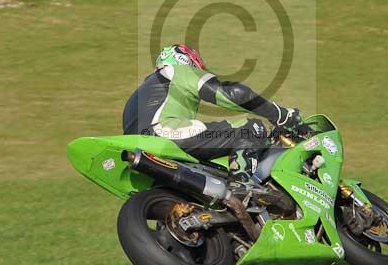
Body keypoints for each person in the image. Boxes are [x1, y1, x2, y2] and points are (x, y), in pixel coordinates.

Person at [122, 44, 302, 174]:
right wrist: (281, 114)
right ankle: (244, 186)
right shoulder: (177, 71)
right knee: (250, 128)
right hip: (164, 135)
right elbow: (234, 94)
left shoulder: (140, 93)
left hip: (141, 149)